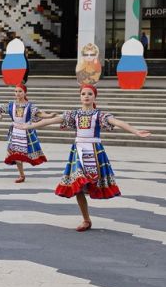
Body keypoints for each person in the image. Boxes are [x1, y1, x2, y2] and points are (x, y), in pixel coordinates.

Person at [14, 85, 151, 231]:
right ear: (80, 96)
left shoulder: (100, 115)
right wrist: (29, 126)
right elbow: (51, 121)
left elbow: (117, 122)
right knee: (78, 186)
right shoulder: (74, 115)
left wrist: (136, 131)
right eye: (83, 93)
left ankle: (89, 197)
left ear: (94, 97)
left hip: (95, 153)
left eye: (89, 94)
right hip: (78, 153)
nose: (86, 96)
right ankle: (86, 220)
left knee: (93, 183)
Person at [0, 84, 55, 183]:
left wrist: (50, 115)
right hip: (15, 131)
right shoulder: (11, 105)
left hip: (27, 131)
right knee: (16, 154)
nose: (17, 93)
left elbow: (40, 114)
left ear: (25, 93)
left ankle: (24, 170)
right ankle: (21, 175)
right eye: (16, 91)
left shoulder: (30, 106)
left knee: (29, 152)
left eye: (20, 91)